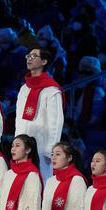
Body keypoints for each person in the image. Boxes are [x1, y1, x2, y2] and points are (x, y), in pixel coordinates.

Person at [15, 48, 64, 180]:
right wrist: (17, 141)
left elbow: (56, 122)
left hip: (42, 146)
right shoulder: (24, 88)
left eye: (33, 56)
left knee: (41, 179)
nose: (29, 58)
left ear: (44, 61)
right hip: (23, 143)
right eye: (28, 56)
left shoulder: (51, 90)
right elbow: (18, 117)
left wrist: (51, 149)